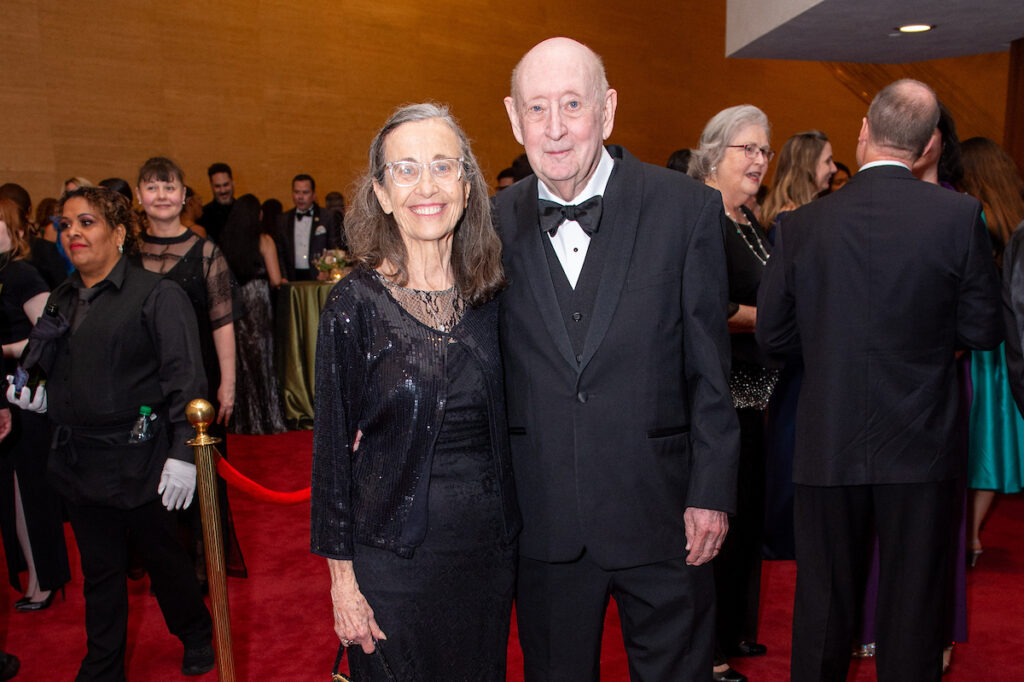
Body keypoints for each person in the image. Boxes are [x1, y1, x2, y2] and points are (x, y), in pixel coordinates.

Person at [495, 37, 739, 681]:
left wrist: (711, 492)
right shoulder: (487, 224)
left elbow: (711, 371)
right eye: (537, 108)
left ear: (606, 111)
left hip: (665, 516)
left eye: (571, 105)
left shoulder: (687, 209)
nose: (554, 129)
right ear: (514, 118)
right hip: (541, 520)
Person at [756, 79, 1002, 682]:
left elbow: (774, 337)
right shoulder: (958, 216)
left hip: (829, 437)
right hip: (922, 442)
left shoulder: (803, 224)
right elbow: (983, 327)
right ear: (925, 148)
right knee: (913, 607)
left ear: (864, 132)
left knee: (823, 605)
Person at [311, 103, 519, 681]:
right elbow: (330, 455)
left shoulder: (493, 294)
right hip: (391, 563)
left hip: (487, 557)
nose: (426, 186)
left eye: (442, 166)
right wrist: (343, 584)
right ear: (380, 193)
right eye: (404, 170)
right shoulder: (354, 305)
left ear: (467, 184)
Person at [18, 185, 215, 678]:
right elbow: (47, 362)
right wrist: (41, 394)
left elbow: (187, 383)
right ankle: (102, 667)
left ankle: (194, 632)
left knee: (165, 560)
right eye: (66, 224)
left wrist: (183, 456)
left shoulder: (157, 294)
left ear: (120, 233)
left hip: (143, 458)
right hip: (79, 463)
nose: (73, 233)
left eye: (87, 223)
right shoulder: (62, 296)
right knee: (100, 571)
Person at [688, 105, 776, 682]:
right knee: (712, 525)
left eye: (765, 151)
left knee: (744, 522)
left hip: (757, 395)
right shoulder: (701, 218)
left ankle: (735, 630)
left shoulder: (749, 220)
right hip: (720, 396)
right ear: (715, 152)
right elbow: (707, 310)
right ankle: (709, 653)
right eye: (747, 148)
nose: (759, 160)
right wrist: (769, 317)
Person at [135, 156, 247, 581]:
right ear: (141, 197)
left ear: (184, 196)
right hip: (144, 384)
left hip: (199, 384)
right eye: (152, 187)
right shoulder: (127, 252)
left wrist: (229, 386)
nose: (161, 195)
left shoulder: (206, 253)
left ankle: (204, 565)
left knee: (201, 478)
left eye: (169, 187)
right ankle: (161, 559)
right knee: (149, 469)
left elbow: (223, 323)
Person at [0, 200, 71, 613]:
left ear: (14, 230)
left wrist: (6, 349)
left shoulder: (21, 273)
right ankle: (34, 574)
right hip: (6, 392)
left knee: (28, 491)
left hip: (23, 393)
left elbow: (50, 330)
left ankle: (44, 579)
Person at [958, 136, 1024, 566]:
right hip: (1007, 347)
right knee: (991, 436)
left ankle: (969, 538)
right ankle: (975, 536)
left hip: (979, 346)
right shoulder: (1013, 219)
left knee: (975, 434)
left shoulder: (972, 217)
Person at [219, 193, 286, 435]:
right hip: (258, 300)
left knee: (243, 360)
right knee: (264, 358)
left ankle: (246, 420)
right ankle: (267, 419)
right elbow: (276, 279)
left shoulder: (227, 241)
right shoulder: (264, 240)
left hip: (235, 303)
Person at [760, 130, 835, 229]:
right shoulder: (791, 220)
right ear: (808, 166)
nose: (834, 168)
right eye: (828, 161)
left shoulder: (801, 214)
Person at [274, 174, 343, 281]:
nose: (300, 197)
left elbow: (334, 248)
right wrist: (283, 276)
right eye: (297, 192)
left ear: (313, 194)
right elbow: (280, 252)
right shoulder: (283, 219)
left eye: (305, 192)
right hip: (292, 277)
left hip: (319, 276)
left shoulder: (326, 217)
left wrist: (328, 270)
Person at [197, 162, 235, 244]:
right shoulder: (203, 216)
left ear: (233, 182)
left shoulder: (244, 211)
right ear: (211, 186)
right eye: (218, 186)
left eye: (226, 185)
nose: (223, 190)